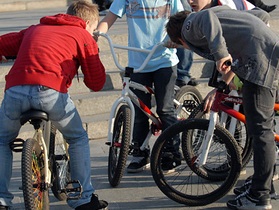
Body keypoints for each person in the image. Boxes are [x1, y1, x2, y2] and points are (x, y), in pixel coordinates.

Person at [166, 6, 279, 210]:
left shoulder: (189, 25)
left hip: (260, 60)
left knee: (261, 131)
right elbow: (261, 15)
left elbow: (205, 17)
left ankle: (260, 197)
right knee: (260, 127)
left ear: (181, 39)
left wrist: (221, 54)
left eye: (182, 46)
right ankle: (264, 184)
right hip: (269, 52)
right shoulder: (223, 14)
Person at [0, 1, 108, 210]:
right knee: (77, 137)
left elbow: (3, 43)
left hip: (15, 90)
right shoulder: (82, 35)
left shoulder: (36, 28)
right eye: (94, 29)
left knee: (2, 140)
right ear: (86, 23)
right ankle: (84, 199)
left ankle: (1, 200)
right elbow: (96, 83)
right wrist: (92, 48)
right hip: (50, 92)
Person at [96, 0, 184, 173]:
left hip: (164, 59)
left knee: (165, 109)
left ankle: (172, 151)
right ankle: (140, 152)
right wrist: (97, 34)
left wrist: (175, 39)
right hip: (138, 61)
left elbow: (180, 19)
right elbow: (110, 17)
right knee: (138, 110)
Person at [175, 0, 256, 87]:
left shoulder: (227, 7)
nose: (190, 2)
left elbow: (239, 50)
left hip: (254, 38)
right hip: (236, 42)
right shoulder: (200, 11)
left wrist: (225, 81)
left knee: (237, 85)